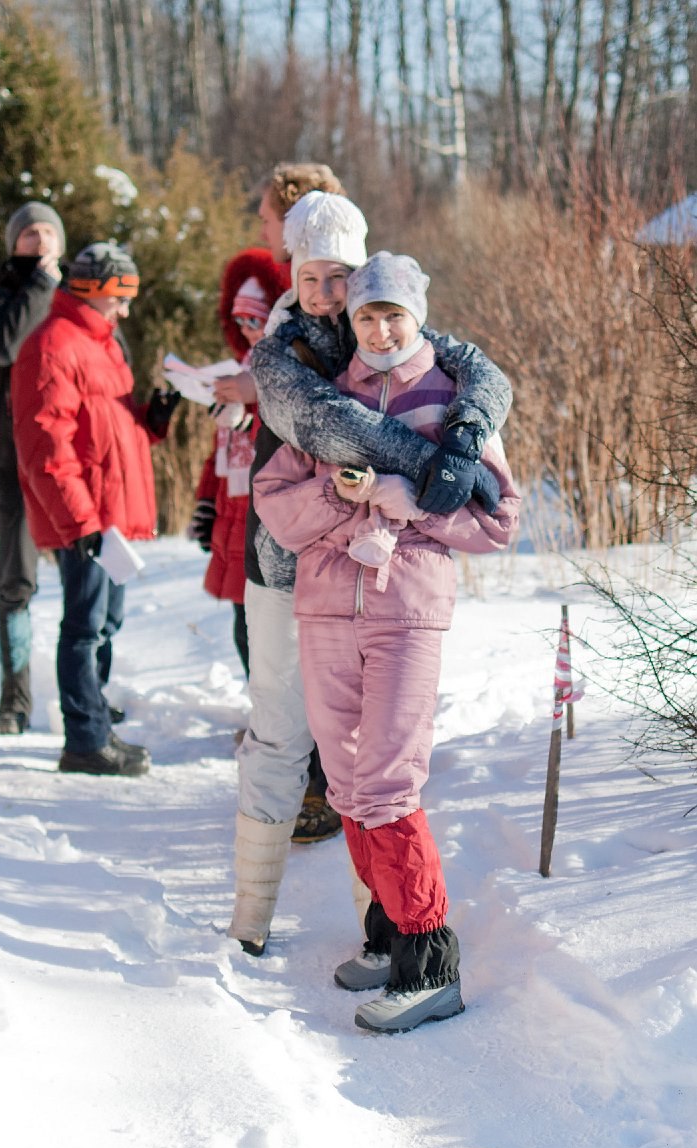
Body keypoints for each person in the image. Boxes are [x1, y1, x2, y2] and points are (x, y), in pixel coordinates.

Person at [228, 190, 513, 959]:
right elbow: (336, 431)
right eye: (313, 277)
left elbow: (478, 372)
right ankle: (250, 921)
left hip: (380, 592)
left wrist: (472, 419)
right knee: (283, 737)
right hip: (287, 570)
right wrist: (434, 467)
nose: (326, 293)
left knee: (366, 770)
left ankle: (390, 930)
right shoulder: (284, 353)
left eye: (340, 278)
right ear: (294, 275)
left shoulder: (394, 338)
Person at [214, 163, 349, 844]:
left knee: (326, 679)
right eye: (309, 276)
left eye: (269, 218)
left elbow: (330, 421)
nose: (263, 232)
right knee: (277, 686)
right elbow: (293, 405)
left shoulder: (369, 324)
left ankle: (320, 790)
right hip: (280, 526)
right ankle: (255, 891)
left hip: (333, 535)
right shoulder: (281, 331)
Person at [10, 242, 176, 776]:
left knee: (105, 623)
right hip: (85, 520)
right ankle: (83, 740)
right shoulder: (52, 345)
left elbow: (112, 428)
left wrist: (154, 416)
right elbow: (45, 448)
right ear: (92, 292)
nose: (126, 310)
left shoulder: (102, 344)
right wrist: (79, 522)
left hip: (111, 517)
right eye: (119, 298)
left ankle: (98, 724)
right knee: (84, 627)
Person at [0, 201, 65, 735]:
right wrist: (41, 286)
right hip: (16, 464)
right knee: (15, 583)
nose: (40, 239)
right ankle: (15, 702)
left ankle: (86, 696)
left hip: (69, 461)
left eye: (48, 231)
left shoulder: (75, 298)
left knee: (87, 584)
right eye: (29, 233)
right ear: (14, 244)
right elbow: (6, 343)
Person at [188, 248, 286, 676]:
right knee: (242, 625)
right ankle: (262, 714)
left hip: (262, 509)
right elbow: (219, 449)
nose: (248, 330)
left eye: (256, 320)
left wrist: (246, 417)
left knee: (265, 628)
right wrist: (205, 502)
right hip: (232, 507)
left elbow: (284, 433)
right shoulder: (239, 367)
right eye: (240, 321)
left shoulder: (281, 366)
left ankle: (275, 724)